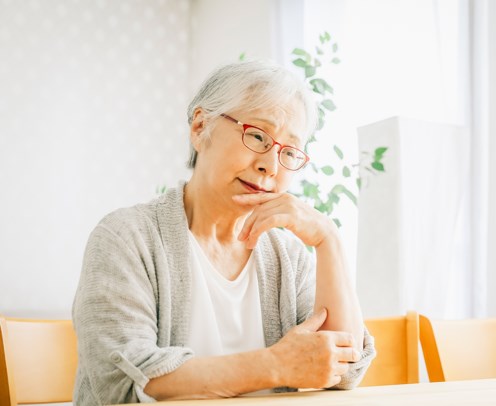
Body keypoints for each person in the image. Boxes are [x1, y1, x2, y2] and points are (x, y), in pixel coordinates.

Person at [72, 60, 376, 405]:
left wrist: (328, 240)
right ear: (200, 127)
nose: (271, 166)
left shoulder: (288, 256)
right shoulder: (126, 237)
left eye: (288, 151)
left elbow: (343, 369)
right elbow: (126, 383)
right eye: (258, 135)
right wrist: (274, 366)